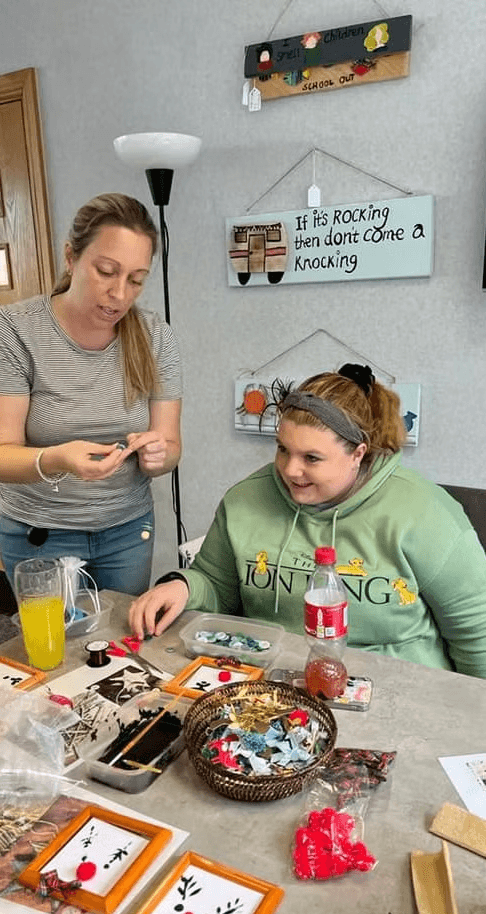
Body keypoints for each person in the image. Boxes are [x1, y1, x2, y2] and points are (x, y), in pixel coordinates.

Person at [129, 363, 486, 678]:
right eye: (282, 449)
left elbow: (478, 635)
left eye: (312, 458)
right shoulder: (245, 500)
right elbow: (218, 586)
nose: (289, 469)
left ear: (357, 454)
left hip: (400, 694)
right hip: (276, 688)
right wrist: (183, 586)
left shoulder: (426, 514)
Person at [0, 193, 182, 594]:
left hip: (127, 532)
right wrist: (57, 459)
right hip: (39, 534)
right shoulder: (15, 331)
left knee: (122, 649)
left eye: (136, 280)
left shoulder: (155, 336)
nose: (121, 294)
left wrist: (158, 455)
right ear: (71, 258)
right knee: (54, 653)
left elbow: (170, 447)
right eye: (106, 271)